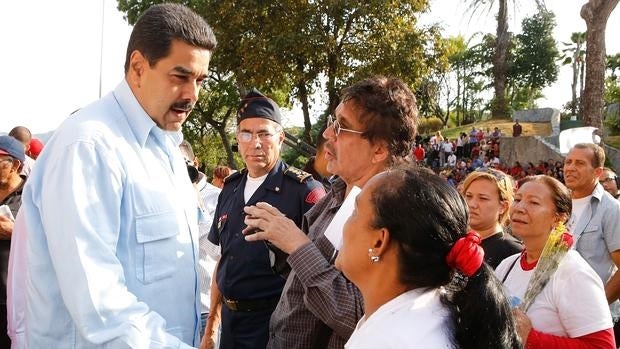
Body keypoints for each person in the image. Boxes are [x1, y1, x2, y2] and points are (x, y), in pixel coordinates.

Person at [11, 4, 217, 347]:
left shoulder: (164, 147)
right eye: (180, 77)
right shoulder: (89, 147)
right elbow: (99, 304)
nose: (192, 95)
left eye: (200, 80)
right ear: (138, 67)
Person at [242, 76, 418, 348]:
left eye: (342, 127)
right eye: (332, 123)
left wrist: (297, 244)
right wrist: (281, 244)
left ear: (379, 149)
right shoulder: (335, 193)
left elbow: (359, 316)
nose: (327, 135)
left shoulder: (396, 218)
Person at [335, 166, 520, 349]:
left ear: (379, 242)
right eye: (469, 196)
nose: (344, 223)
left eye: (354, 212)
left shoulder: (388, 341)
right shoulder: (435, 314)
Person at [204, 89, 325, 349]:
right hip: (231, 326)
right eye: (246, 134)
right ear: (237, 138)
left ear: (280, 138)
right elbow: (223, 259)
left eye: (264, 134)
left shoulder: (305, 192)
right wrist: (211, 326)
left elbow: (323, 271)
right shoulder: (230, 188)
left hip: (277, 327)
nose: (255, 143)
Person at [496, 175, 615, 347]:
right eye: (518, 199)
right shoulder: (507, 266)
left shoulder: (573, 273)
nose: (520, 208)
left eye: (534, 202)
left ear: (559, 218)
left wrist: (531, 338)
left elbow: (602, 346)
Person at [563, 143, 620, 341]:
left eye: (579, 163)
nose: (570, 167)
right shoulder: (559, 204)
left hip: (592, 322)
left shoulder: (611, 210)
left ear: (598, 171)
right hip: (559, 313)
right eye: (568, 161)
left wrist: (597, 307)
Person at [179, 140, 221, 343]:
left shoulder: (219, 197)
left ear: (195, 163)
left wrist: (196, 202)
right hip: (170, 309)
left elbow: (217, 250)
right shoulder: (157, 195)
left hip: (205, 309)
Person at [462, 168, 522, 269]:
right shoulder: (454, 240)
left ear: (503, 207)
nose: (472, 204)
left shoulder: (513, 254)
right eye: (469, 196)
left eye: (483, 198)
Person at [0, 135, 27, 348]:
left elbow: (54, 238)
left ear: (16, 164)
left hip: (15, 301)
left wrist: (15, 231)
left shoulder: (32, 196)